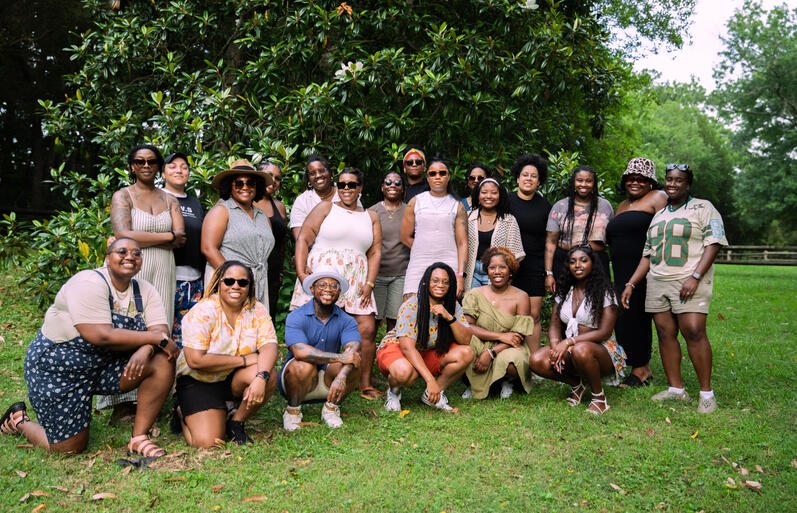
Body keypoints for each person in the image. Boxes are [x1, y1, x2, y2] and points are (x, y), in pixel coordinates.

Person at [0, 238, 178, 455]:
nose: (130, 256)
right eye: (122, 251)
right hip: (58, 369)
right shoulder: (89, 282)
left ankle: (139, 438)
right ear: (107, 257)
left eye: (136, 253)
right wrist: (154, 339)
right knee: (68, 448)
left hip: (104, 366)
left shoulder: (145, 290)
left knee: (161, 360)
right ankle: (18, 420)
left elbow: (160, 331)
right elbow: (100, 335)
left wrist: (147, 348)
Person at [621, 164, 727, 414]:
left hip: (688, 279)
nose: (672, 184)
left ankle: (706, 394)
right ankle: (676, 389)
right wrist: (631, 283)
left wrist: (696, 276)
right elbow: (647, 255)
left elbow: (714, 243)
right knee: (665, 332)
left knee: (693, 330)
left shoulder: (704, 207)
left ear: (688, 184)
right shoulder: (659, 215)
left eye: (679, 180)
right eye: (669, 179)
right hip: (658, 281)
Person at [106, 144, 185, 413]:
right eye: (140, 161)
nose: (146, 165)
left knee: (158, 326)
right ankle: (121, 402)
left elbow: (181, 237)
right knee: (126, 324)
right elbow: (121, 234)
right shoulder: (122, 196)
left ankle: (154, 395)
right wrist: (166, 237)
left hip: (164, 268)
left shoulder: (170, 199)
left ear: (159, 166)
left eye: (152, 161)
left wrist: (137, 237)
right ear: (132, 166)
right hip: (129, 266)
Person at [291, 168, 381, 398]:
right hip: (323, 276)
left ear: (360, 187)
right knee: (316, 325)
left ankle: (363, 382)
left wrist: (370, 283)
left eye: (352, 184)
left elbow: (375, 251)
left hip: (357, 278)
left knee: (367, 328)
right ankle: (306, 376)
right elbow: (303, 238)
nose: (346, 189)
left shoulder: (370, 216)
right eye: (342, 185)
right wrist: (302, 275)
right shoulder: (326, 207)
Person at [174, 261, 278, 447]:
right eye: (229, 281)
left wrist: (261, 377)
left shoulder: (256, 309)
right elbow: (195, 360)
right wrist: (243, 360)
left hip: (230, 378)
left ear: (250, 286)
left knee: (267, 372)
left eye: (242, 282)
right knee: (209, 442)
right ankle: (182, 412)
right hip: (199, 380)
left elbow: (269, 345)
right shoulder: (203, 311)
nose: (235, 286)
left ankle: (236, 421)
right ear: (218, 283)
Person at [529, 245, 626, 415]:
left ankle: (599, 398)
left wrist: (567, 342)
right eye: (572, 262)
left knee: (581, 350)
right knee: (536, 359)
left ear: (592, 264)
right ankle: (577, 384)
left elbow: (605, 332)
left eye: (583, 260)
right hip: (573, 349)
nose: (578, 265)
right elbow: (554, 324)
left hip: (602, 350)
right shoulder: (565, 291)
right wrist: (554, 346)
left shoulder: (605, 291)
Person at [376, 263, 474, 412]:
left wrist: (448, 317)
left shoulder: (452, 305)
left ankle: (433, 394)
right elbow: (407, 348)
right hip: (398, 349)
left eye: (445, 282)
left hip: (427, 350)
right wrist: (429, 380)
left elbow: (466, 340)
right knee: (404, 372)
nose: (440, 285)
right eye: (435, 280)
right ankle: (394, 392)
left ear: (450, 285)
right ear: (426, 282)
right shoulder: (412, 305)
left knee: (466, 353)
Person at [606, 158, 668, 387]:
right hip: (621, 269)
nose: (635, 182)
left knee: (638, 316)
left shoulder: (658, 198)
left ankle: (641, 369)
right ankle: (636, 365)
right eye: (631, 178)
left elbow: (666, 231)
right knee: (624, 318)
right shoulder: (622, 205)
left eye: (641, 179)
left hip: (645, 269)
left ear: (651, 182)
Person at [280, 266, 362, 431]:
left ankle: (331, 409)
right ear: (312, 289)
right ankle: (292, 411)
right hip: (297, 378)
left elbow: (353, 350)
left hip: (329, 380)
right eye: (322, 285)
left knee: (354, 363)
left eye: (333, 286)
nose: (328, 290)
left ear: (339, 292)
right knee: (302, 365)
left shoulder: (347, 320)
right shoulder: (296, 316)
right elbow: (300, 352)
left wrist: (342, 376)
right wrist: (339, 357)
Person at [461, 247, 535, 399]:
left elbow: (517, 336)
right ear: (486, 270)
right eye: (492, 267)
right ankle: (473, 383)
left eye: (502, 267)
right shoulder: (475, 294)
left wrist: (491, 352)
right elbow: (467, 327)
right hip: (482, 341)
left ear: (510, 270)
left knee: (512, 363)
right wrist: (500, 336)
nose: (497, 271)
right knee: (463, 347)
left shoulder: (521, 297)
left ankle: (507, 381)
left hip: (508, 346)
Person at [201, 159, 275, 306]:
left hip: (258, 282)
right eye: (239, 183)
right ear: (230, 186)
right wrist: (236, 279)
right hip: (230, 284)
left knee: (252, 327)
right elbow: (208, 249)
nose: (245, 187)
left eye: (251, 183)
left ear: (257, 186)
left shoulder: (262, 215)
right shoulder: (222, 211)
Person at [401, 156, 468, 298]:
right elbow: (405, 236)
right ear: (427, 177)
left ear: (449, 176)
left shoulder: (458, 205)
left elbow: (462, 243)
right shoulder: (415, 201)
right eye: (433, 173)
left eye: (442, 173)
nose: (438, 177)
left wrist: (460, 275)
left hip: (449, 262)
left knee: (445, 311)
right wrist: (424, 249)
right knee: (411, 308)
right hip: (418, 262)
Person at [544, 165, 614, 295]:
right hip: (565, 263)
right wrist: (549, 273)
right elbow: (550, 242)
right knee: (564, 304)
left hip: (597, 263)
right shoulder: (560, 206)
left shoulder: (605, 206)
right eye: (580, 180)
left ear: (594, 184)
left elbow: (611, 239)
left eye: (588, 181)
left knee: (598, 304)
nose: (584, 184)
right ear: (573, 183)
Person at [507, 153, 552, 349]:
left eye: (533, 176)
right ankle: (508, 364)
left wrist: (548, 272)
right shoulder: (505, 201)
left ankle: (534, 364)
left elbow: (550, 241)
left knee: (533, 315)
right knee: (509, 315)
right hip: (508, 265)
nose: (528, 179)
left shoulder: (545, 206)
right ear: (517, 178)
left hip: (534, 266)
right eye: (525, 175)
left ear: (539, 181)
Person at [162, 151, 205, 346]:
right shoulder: (158, 197)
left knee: (190, 335)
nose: (179, 170)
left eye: (184, 167)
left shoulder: (195, 202)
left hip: (195, 281)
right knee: (163, 333)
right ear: (163, 173)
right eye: (172, 166)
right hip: (167, 277)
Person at [464, 178, 525, 292]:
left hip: (497, 272)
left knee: (492, 306)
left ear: (500, 195)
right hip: (471, 271)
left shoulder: (509, 220)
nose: (488, 196)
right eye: (484, 192)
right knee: (472, 305)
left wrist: (507, 279)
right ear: (477, 195)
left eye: (494, 193)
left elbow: (515, 255)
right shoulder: (467, 217)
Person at [368, 171, 411, 333]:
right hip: (376, 275)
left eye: (397, 183)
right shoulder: (372, 212)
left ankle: (390, 355)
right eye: (388, 182)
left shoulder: (410, 211)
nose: (393, 185)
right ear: (382, 187)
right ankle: (369, 356)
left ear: (403, 188)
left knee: (395, 321)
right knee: (373, 321)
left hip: (400, 275)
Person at [289, 153, 361, 241]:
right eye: (312, 173)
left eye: (322, 171)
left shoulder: (346, 191)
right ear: (309, 180)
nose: (318, 175)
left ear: (330, 173)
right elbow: (300, 239)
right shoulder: (302, 201)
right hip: (315, 252)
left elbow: (359, 225)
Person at [253, 160, 288, 316]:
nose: (273, 181)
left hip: (272, 270)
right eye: (269, 175)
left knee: (268, 313)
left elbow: (282, 243)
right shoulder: (247, 201)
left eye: (278, 178)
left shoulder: (279, 207)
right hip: (250, 266)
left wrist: (280, 271)